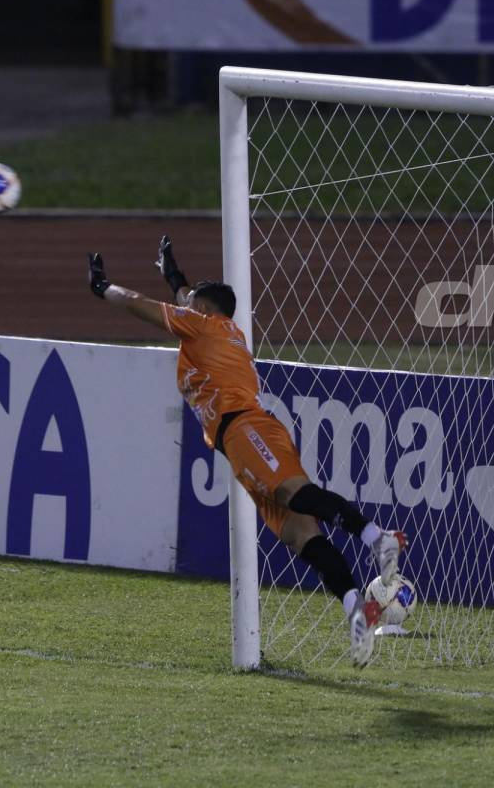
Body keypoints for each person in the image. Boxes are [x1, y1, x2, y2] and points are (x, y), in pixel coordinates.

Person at [86, 236, 407, 666]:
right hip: (238, 438)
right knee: (300, 536)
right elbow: (187, 299)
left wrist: (104, 288)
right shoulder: (219, 327)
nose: (184, 306)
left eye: (190, 303)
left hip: (246, 427)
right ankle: (356, 610)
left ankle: (375, 536)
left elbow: (140, 304)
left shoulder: (201, 326)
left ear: (201, 311)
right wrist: (174, 275)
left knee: (294, 492)